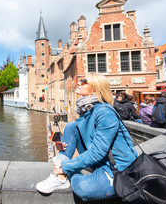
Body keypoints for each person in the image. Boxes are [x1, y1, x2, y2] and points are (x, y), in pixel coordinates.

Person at [36, 73, 137, 201]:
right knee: (72, 126)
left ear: (95, 88)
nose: (78, 83)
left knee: (81, 188)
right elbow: (81, 136)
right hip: (99, 163)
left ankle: (62, 173)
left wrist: (66, 166)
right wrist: (63, 146)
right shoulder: (88, 109)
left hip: (118, 169)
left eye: (84, 81)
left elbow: (97, 152)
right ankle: (59, 177)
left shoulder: (104, 112)